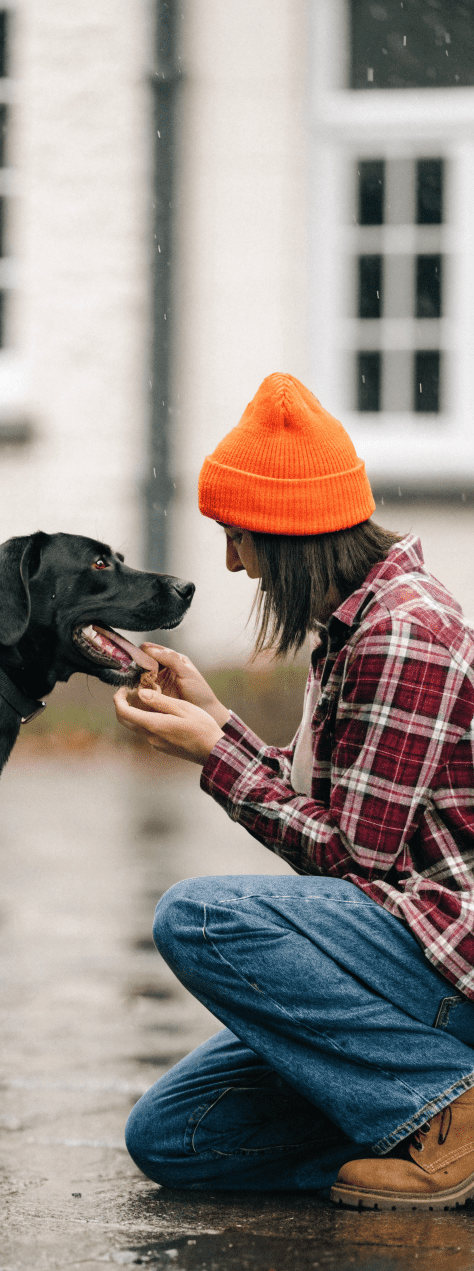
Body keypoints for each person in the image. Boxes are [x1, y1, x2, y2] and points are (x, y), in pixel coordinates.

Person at [114, 372, 474, 1211]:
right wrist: (217, 722)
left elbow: (356, 860)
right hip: (408, 962)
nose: (233, 560)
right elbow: (341, 810)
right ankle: (428, 1125)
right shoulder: (361, 624)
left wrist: (215, 761)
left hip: (448, 962)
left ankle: (451, 1108)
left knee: (199, 917)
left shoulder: (406, 634)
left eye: (238, 535)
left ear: (288, 534)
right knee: (174, 1139)